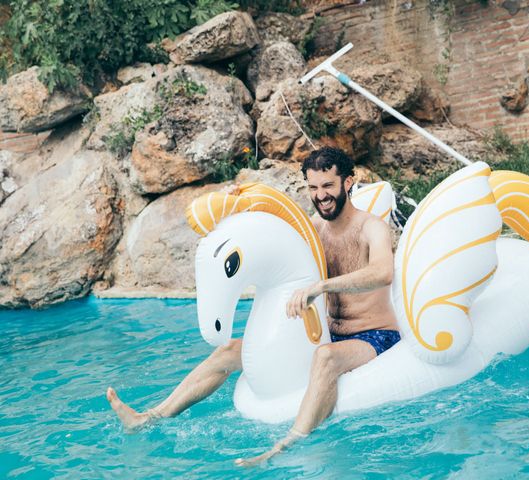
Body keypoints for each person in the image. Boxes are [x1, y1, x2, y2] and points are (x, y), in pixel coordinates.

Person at [106, 146, 400, 466]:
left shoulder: (370, 227)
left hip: (374, 335)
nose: (321, 195)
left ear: (348, 182)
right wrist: (237, 204)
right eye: (313, 188)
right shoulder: (315, 229)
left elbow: (383, 273)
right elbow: (269, 230)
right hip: (331, 331)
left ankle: (285, 445)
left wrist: (321, 287)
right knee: (231, 349)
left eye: (328, 186)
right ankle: (151, 416)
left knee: (325, 357)